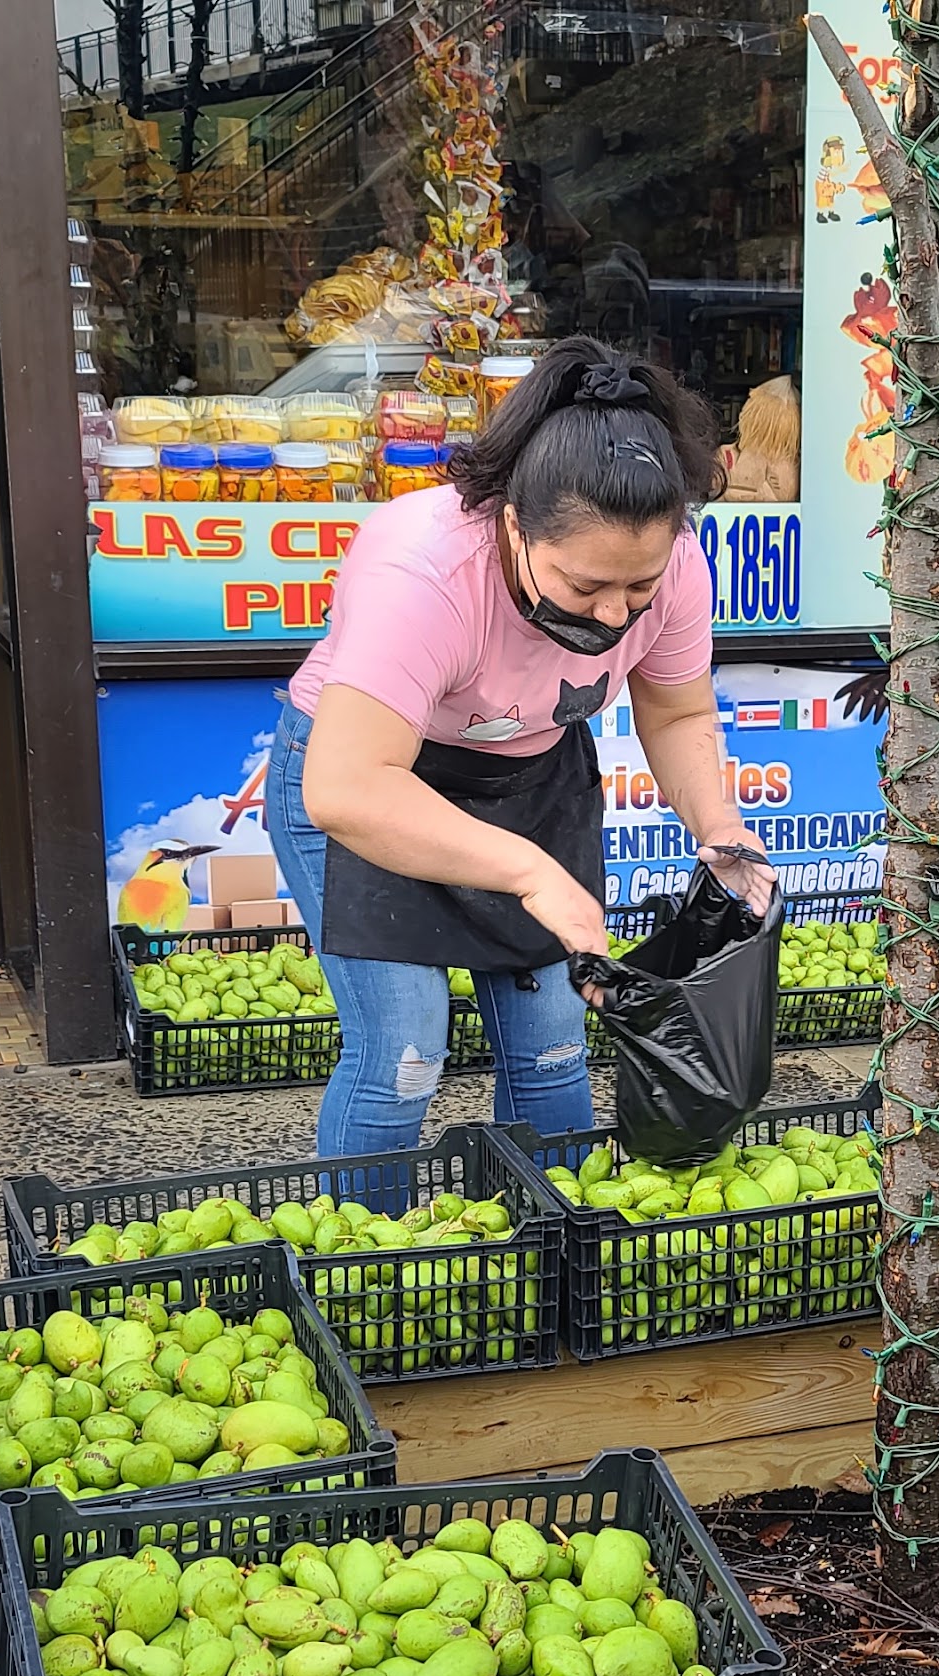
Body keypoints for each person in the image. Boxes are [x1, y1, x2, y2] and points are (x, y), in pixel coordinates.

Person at [268, 335, 775, 1157]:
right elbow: (349, 787)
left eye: (637, 589)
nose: (616, 614)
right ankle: (361, 1276)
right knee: (404, 1047)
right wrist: (533, 873)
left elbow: (678, 714)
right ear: (512, 523)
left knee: (552, 1041)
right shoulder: (425, 569)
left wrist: (719, 829)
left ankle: (547, 1257)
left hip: (530, 780)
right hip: (376, 782)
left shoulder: (674, 561)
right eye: (585, 586)